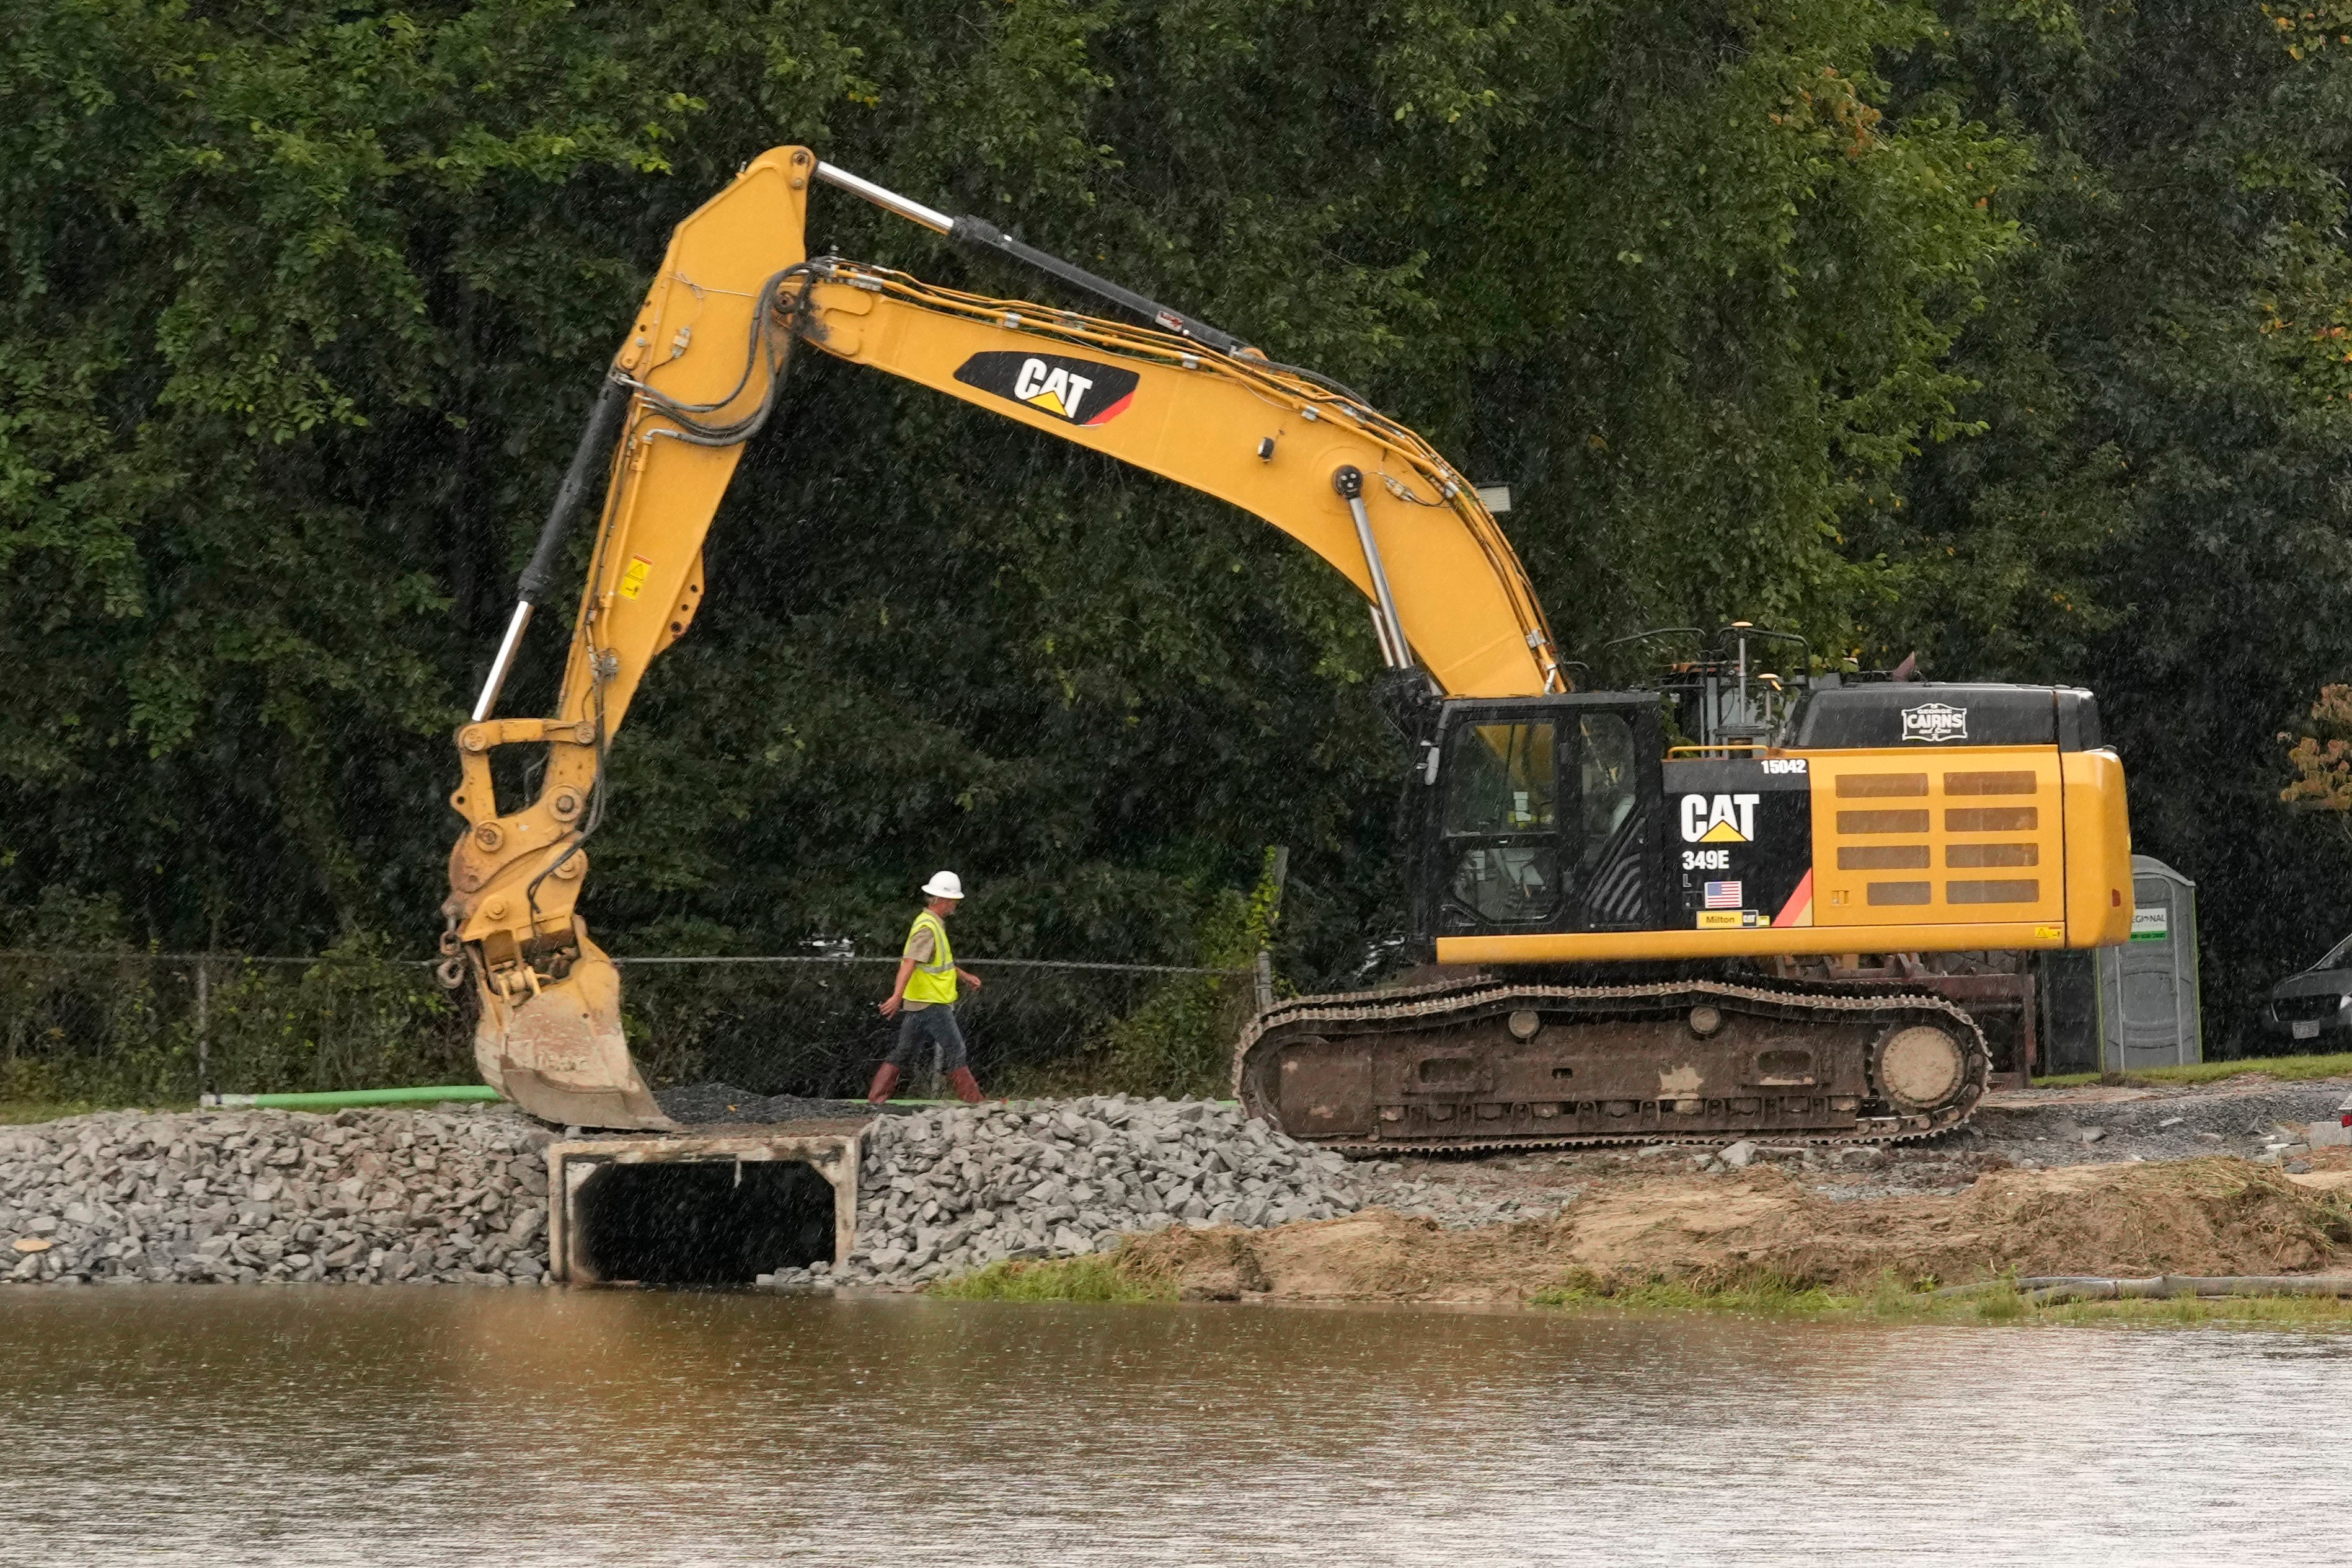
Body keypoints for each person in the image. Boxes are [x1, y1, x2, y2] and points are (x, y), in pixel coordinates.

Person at [871, 870, 986, 1106]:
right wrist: (896, 996)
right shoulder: (928, 928)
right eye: (953, 900)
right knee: (956, 1050)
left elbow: (938, 963)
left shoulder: (932, 924)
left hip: (921, 1001)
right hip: (932, 1002)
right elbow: (909, 962)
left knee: (904, 1051)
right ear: (943, 900)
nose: (955, 905)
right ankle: (974, 1105)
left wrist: (964, 976)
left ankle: (876, 1100)